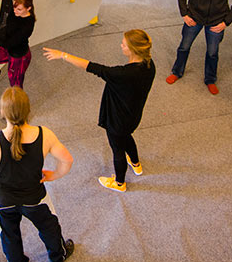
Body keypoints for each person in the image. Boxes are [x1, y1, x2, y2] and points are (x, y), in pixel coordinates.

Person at [0, 87, 75, 262]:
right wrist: (54, 175)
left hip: (4, 200)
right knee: (50, 227)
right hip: (34, 198)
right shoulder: (44, 134)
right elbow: (67, 160)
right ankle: (58, 256)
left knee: (9, 235)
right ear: (28, 111)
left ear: (2, 112)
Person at [43, 29, 156, 193]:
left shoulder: (123, 74)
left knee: (117, 150)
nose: (121, 46)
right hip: (133, 115)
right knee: (127, 137)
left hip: (117, 120)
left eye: (123, 44)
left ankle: (119, 183)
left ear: (132, 49)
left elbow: (92, 67)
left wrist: (63, 55)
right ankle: (136, 164)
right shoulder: (149, 64)